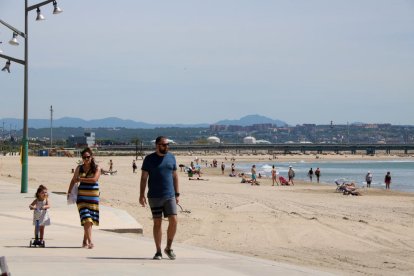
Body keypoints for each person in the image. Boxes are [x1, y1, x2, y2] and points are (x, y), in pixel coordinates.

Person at [140, 136, 180, 260]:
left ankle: (168, 247)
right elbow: (144, 178)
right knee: (157, 223)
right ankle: (158, 251)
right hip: (154, 196)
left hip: (170, 195)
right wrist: (141, 194)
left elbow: (175, 176)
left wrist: (177, 193)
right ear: (157, 145)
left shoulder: (171, 157)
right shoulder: (149, 159)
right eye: (164, 145)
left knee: (174, 220)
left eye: (168, 144)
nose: (166, 147)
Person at [67, 147, 101, 249]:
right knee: (87, 219)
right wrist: (69, 192)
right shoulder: (79, 168)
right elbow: (73, 180)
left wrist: (80, 179)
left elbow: (94, 179)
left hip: (93, 198)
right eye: (84, 157)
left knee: (89, 221)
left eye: (88, 157)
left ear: (91, 157)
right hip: (81, 198)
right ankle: (90, 242)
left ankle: (84, 240)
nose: (86, 159)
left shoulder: (97, 168)